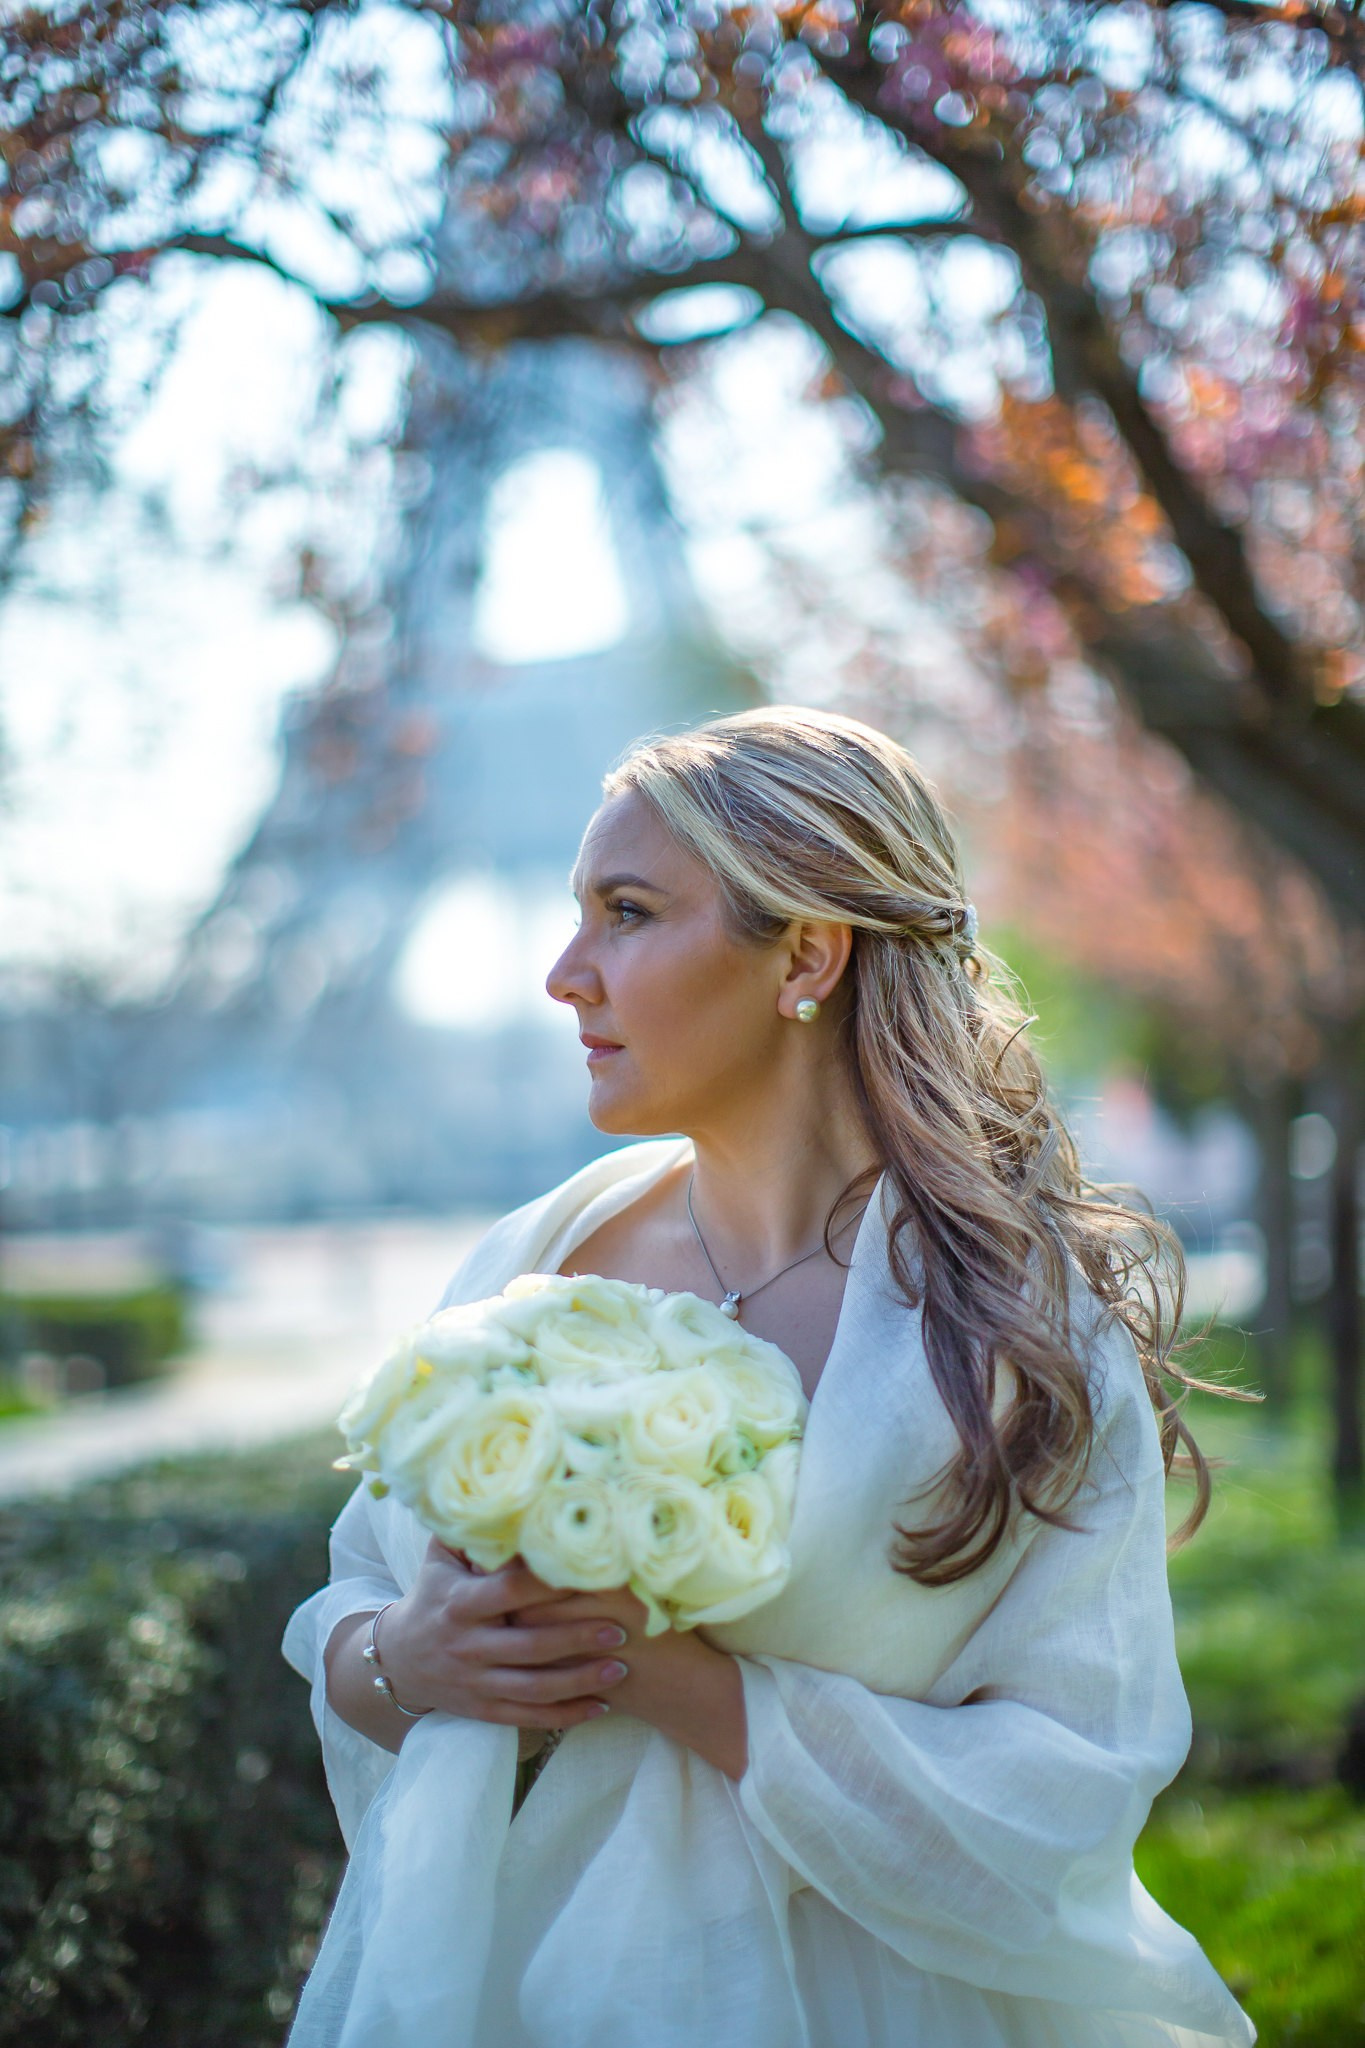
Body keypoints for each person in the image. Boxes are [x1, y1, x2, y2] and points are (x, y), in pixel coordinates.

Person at [281, 705, 1258, 2048]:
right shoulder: (537, 1262)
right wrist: (404, 1655)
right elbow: (357, 1595)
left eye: (626, 913)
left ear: (804, 953)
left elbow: (1071, 1784)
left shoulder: (1008, 1323)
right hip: (526, 1985)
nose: (566, 973)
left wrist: (684, 1686)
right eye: (580, 914)